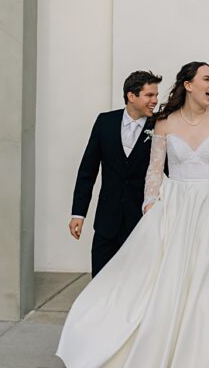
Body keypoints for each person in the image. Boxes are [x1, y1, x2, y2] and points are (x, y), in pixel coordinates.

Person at [57, 61, 209, 368]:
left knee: (206, 286)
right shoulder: (164, 123)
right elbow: (153, 172)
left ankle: (201, 367)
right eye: (208, 78)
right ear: (188, 84)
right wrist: (151, 207)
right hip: (176, 209)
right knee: (166, 285)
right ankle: (112, 343)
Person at [69, 70, 163, 276]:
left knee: (136, 284)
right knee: (99, 281)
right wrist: (78, 213)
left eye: (156, 95)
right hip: (106, 222)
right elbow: (88, 170)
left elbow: (170, 169)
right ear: (131, 96)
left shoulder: (159, 126)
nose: (155, 101)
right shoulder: (105, 122)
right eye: (149, 95)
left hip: (141, 222)